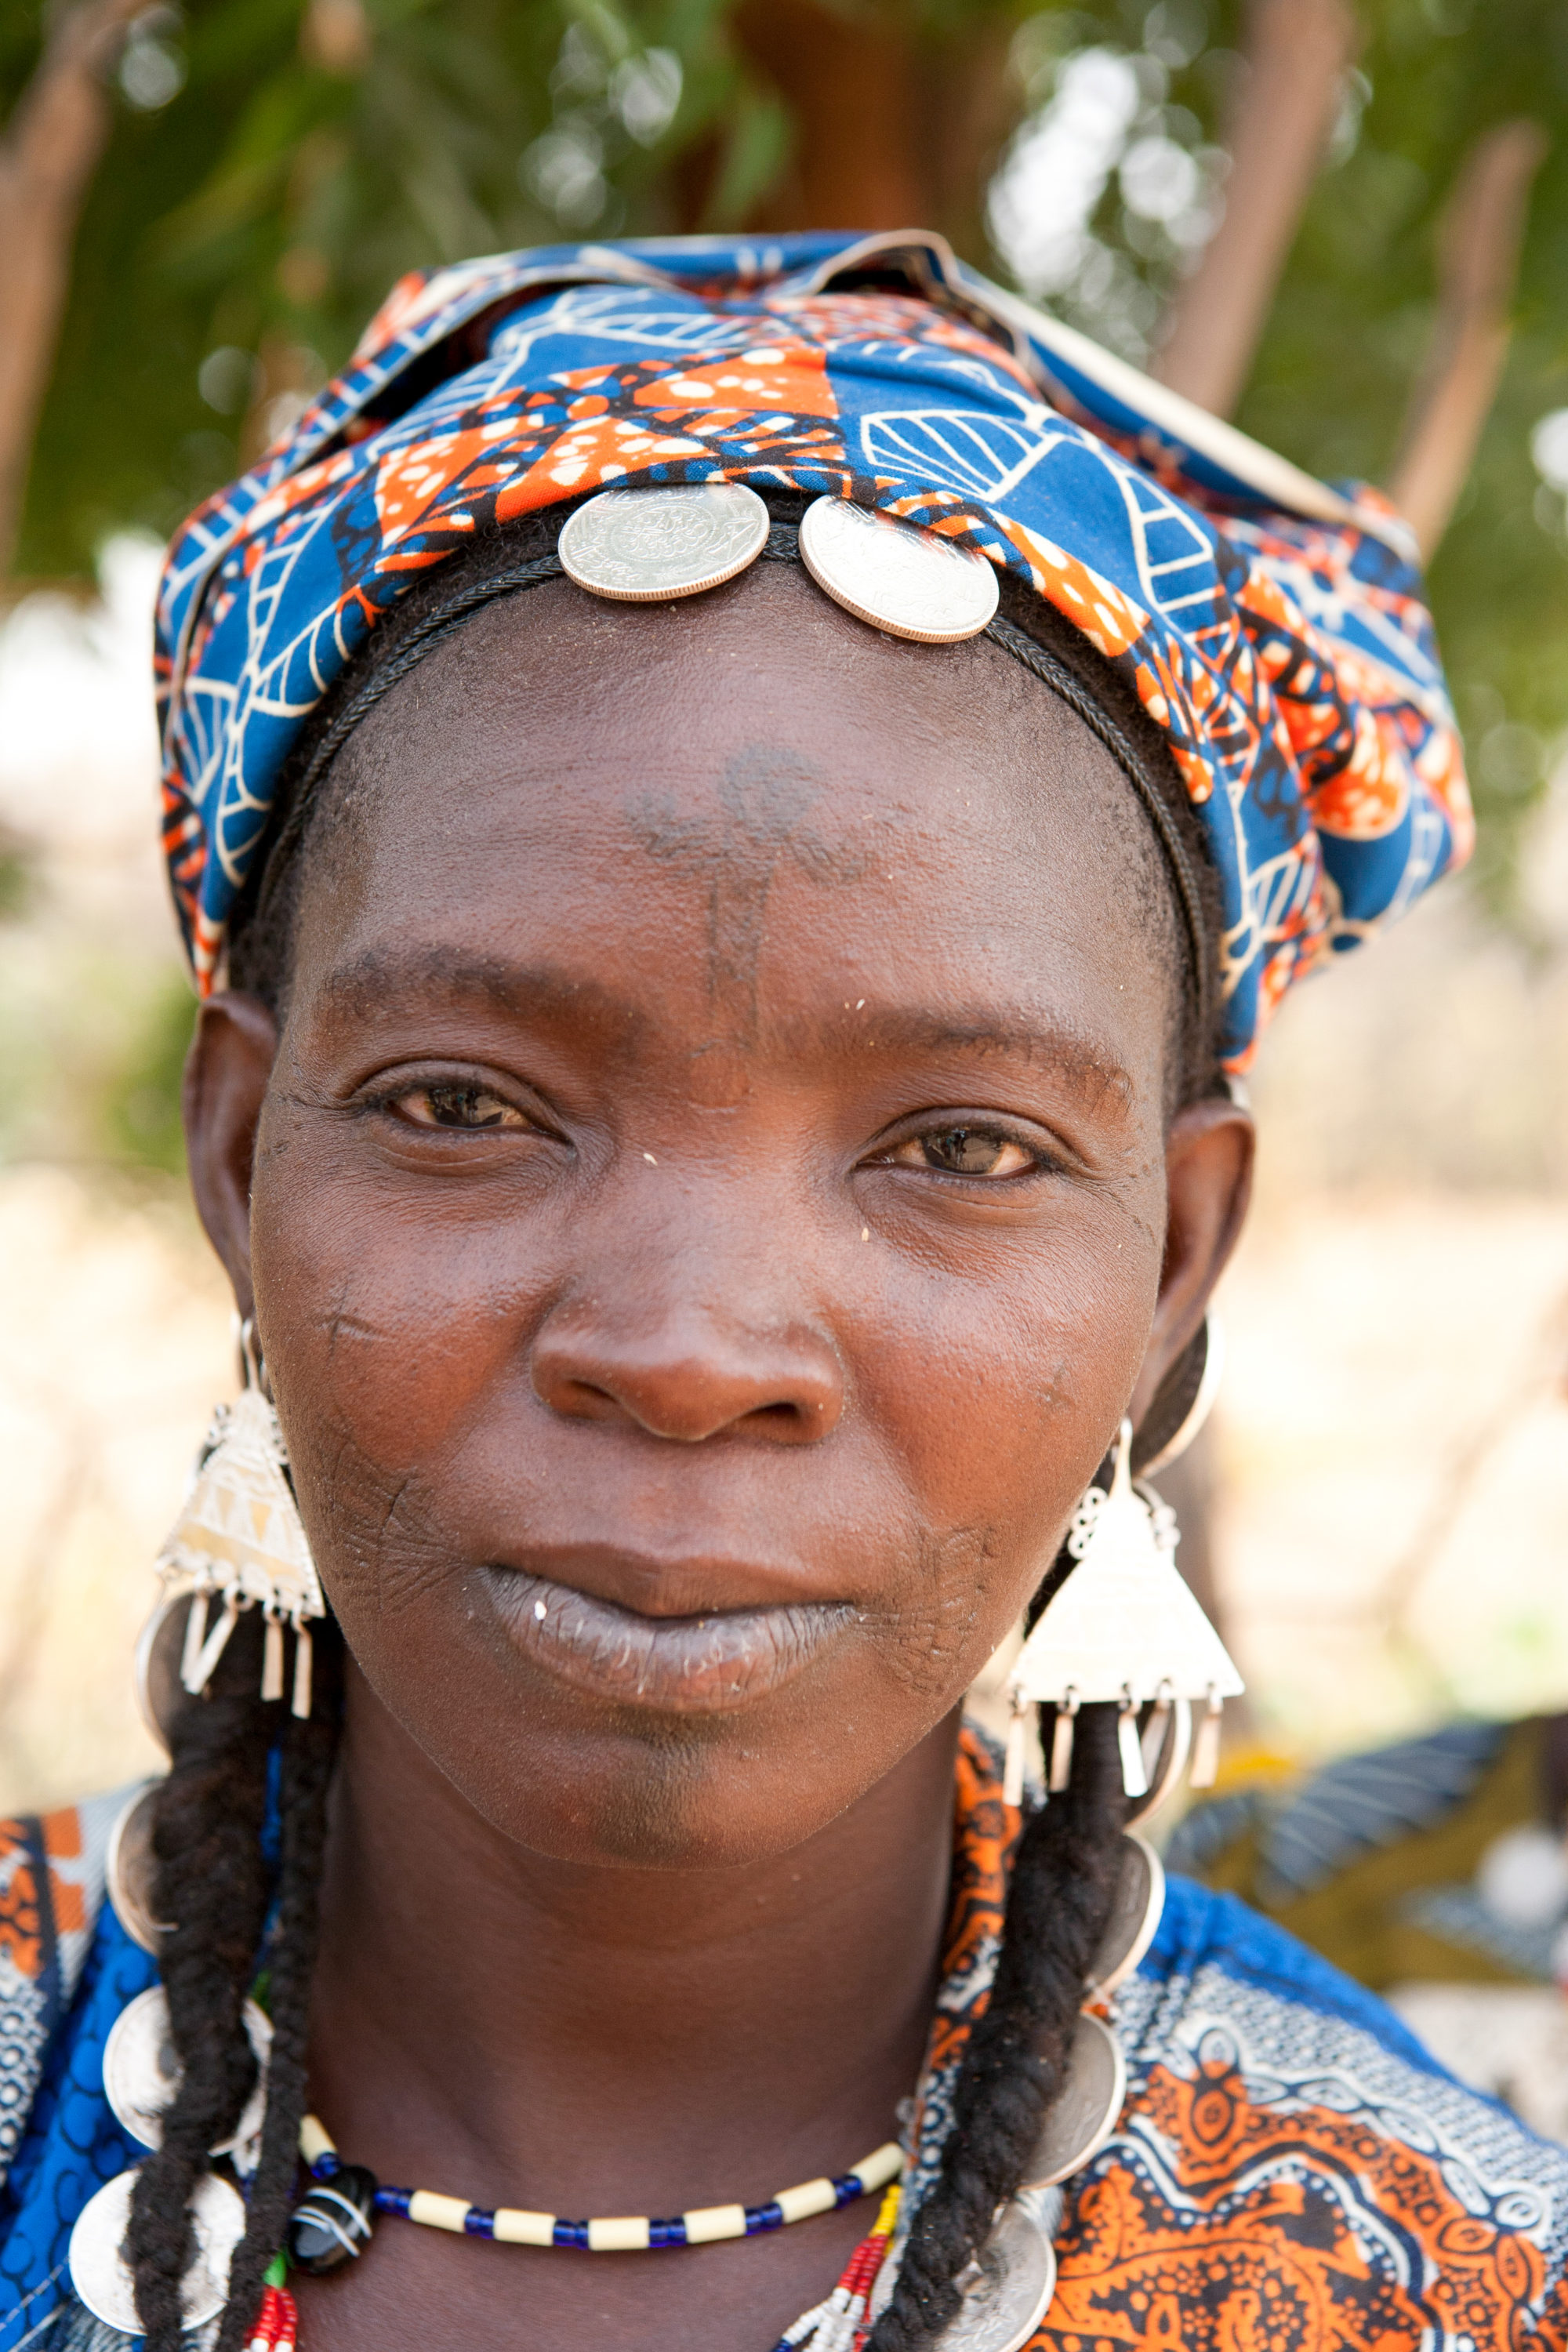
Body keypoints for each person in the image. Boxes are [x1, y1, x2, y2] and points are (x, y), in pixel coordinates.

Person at [1, 230, 1547, 2352]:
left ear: (1178, 1253)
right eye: (466, 1103)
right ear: (243, 1147)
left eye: (963, 1150)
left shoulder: (1440, 2283)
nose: (692, 1352)